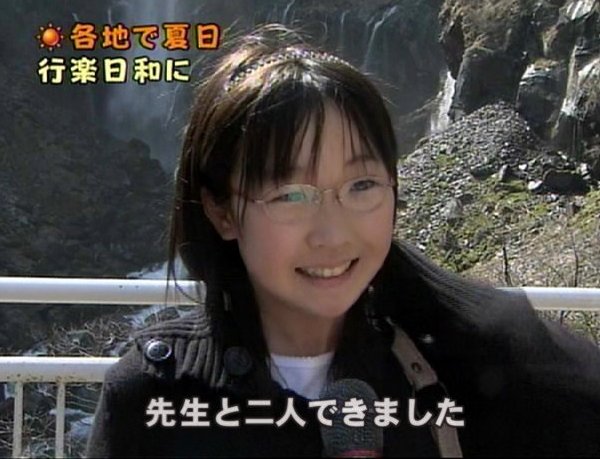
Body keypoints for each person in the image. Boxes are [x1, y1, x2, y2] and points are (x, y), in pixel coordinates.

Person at [86, 24, 600, 457]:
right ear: (222, 212)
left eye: (362, 186)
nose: (332, 234)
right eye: (291, 195)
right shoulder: (154, 396)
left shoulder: (471, 372)